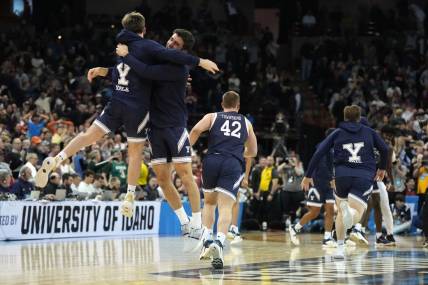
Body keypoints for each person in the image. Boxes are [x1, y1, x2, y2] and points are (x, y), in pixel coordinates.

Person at [34, 11, 218, 218]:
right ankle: (129, 196)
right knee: (135, 152)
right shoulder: (148, 47)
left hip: (117, 100)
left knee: (89, 135)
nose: (170, 43)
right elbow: (156, 66)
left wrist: (102, 70)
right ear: (144, 29)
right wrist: (200, 62)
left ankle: (57, 158)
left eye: (175, 42)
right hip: (137, 107)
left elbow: (127, 70)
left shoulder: (122, 47)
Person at [114, 28, 206, 237]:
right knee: (163, 179)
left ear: (183, 51)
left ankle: (197, 223)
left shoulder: (179, 68)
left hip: (174, 126)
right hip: (154, 127)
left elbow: (145, 72)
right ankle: (184, 221)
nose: (171, 43)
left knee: (186, 175)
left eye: (176, 43)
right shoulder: (157, 59)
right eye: (171, 39)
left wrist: (126, 55)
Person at [301, 105, 388, 259]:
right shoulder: (370, 132)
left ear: (345, 117)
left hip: (341, 176)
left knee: (341, 213)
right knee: (357, 212)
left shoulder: (337, 133)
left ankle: (340, 248)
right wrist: (382, 168)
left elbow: (319, 152)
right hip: (363, 175)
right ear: (359, 116)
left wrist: (308, 175)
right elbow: (385, 149)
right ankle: (350, 213)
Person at [189, 91, 258, 269]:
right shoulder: (246, 122)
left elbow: (196, 129)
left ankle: (206, 241)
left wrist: (187, 150)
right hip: (232, 164)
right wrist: (241, 151)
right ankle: (219, 243)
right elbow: (253, 151)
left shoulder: (212, 116)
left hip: (212, 160)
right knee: (225, 206)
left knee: (209, 204)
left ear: (222, 104)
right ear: (238, 106)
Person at [289, 129, 336, 247]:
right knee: (314, 212)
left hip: (329, 185)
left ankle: (327, 238)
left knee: (330, 210)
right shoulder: (322, 147)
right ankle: (295, 228)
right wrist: (330, 178)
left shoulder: (333, 149)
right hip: (318, 183)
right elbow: (319, 165)